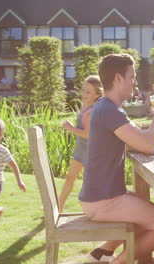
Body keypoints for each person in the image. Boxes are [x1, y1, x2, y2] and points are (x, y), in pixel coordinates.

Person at [80, 54, 154, 264]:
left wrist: (143, 135)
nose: (134, 82)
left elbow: (135, 141)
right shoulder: (109, 110)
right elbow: (147, 145)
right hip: (104, 201)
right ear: (118, 78)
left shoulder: (106, 108)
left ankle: (102, 254)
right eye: (131, 76)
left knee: (147, 209)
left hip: (101, 196)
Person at [58, 76, 103, 212]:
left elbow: (88, 134)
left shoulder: (91, 112)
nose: (84, 94)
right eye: (83, 90)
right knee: (70, 177)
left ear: (97, 94)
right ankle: (59, 206)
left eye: (88, 92)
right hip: (81, 150)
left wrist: (71, 129)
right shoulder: (85, 107)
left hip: (90, 151)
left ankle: (98, 209)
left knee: (92, 183)